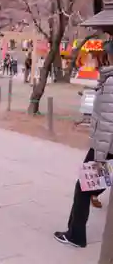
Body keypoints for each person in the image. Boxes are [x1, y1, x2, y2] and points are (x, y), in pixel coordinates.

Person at [54, 66, 113, 248]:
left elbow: (108, 121)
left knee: (84, 186)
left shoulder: (111, 82)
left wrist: (99, 156)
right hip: (107, 145)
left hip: (105, 145)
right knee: (93, 184)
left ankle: (76, 235)